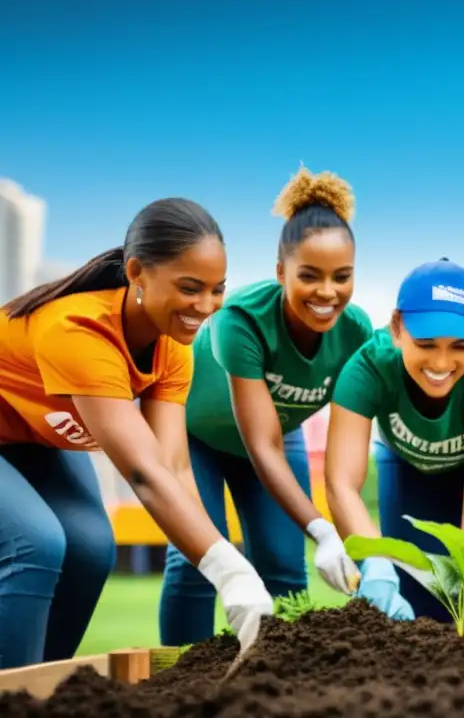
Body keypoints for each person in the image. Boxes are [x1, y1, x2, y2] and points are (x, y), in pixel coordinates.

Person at [0, 198, 274, 669]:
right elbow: (144, 474)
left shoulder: (174, 348)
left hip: (32, 439)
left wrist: (219, 556)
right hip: (14, 431)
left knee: (90, 548)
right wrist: (231, 571)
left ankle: (37, 693)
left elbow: (171, 467)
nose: (205, 307)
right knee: (37, 542)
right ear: (136, 272)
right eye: (190, 288)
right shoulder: (77, 329)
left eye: (216, 290)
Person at [158, 167, 374, 645]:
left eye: (342, 277)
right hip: (194, 432)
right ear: (281, 273)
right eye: (309, 276)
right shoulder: (240, 320)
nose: (327, 292)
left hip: (278, 436)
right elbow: (260, 443)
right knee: (196, 561)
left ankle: (279, 688)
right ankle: (175, 688)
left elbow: (346, 445)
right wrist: (321, 528)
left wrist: (358, 542)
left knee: (284, 566)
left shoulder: (357, 332)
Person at [325, 258, 464, 625]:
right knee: (407, 588)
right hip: (407, 458)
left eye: (461, 346)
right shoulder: (368, 368)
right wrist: (373, 559)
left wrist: (462, 569)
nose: (442, 362)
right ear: (396, 328)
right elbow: (341, 483)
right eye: (426, 343)